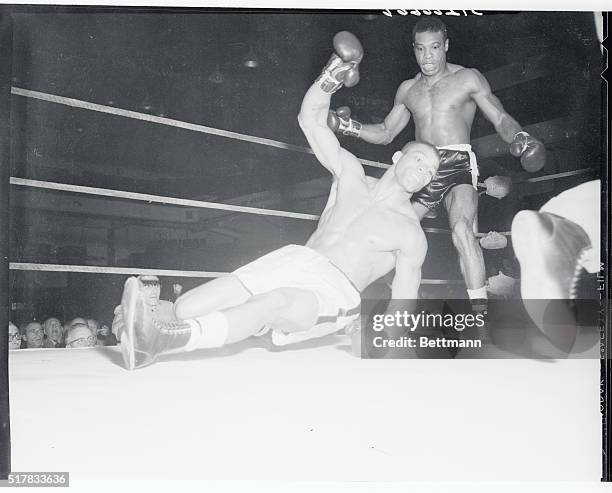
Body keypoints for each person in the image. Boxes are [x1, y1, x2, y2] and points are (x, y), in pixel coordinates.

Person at [115, 31, 440, 370]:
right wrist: (332, 74)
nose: (423, 171)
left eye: (431, 170)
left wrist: (385, 337)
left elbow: (404, 298)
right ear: (399, 156)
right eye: (419, 160)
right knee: (187, 307)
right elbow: (310, 121)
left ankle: (162, 341)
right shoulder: (350, 174)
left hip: (334, 291)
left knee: (274, 302)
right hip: (297, 259)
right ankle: (136, 325)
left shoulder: (409, 232)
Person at [328, 18, 545, 309]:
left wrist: (519, 136)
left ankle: (479, 316)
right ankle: (345, 298)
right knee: (384, 230)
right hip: (420, 167)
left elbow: (500, 118)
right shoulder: (408, 89)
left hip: (457, 161)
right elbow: (386, 133)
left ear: (445, 46)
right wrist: (347, 126)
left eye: (434, 48)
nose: (427, 56)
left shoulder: (468, 78)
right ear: (414, 50)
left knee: (462, 231)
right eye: (420, 49)